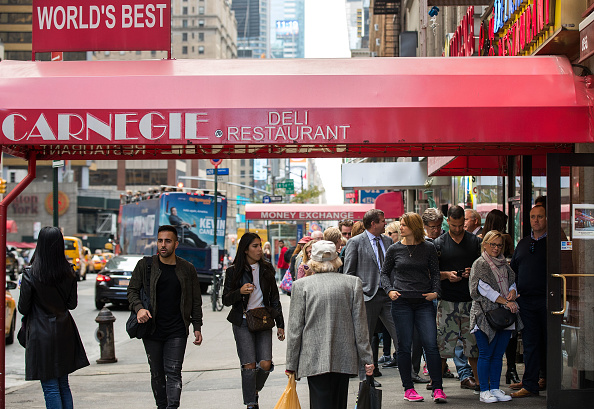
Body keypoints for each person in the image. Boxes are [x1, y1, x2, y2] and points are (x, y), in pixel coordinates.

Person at [286, 240, 374, 409]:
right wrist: (367, 359)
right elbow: (360, 326)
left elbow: (295, 329)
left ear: (313, 261)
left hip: (313, 356)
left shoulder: (301, 286)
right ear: (337, 259)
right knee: (339, 402)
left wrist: (291, 364)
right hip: (344, 355)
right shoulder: (352, 283)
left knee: (319, 402)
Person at [127, 225, 203, 409]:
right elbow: (132, 291)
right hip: (152, 329)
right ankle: (162, 406)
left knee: (174, 371)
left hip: (177, 330)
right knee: (157, 373)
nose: (163, 245)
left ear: (176, 244)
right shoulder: (145, 265)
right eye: (160, 240)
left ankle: (172, 407)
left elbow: (195, 300)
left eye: (167, 241)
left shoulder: (187, 269)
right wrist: (138, 309)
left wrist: (197, 326)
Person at [18, 226, 89, 409]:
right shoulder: (69, 271)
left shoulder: (30, 274)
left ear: (39, 245)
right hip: (64, 331)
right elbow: (72, 304)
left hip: (41, 336)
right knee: (63, 384)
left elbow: (23, 307)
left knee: (50, 387)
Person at [380, 212, 446, 402]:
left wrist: (436, 291)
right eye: (400, 224)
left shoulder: (428, 248)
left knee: (431, 345)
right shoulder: (394, 249)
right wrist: (389, 290)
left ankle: (438, 388)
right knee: (404, 346)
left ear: (414, 227)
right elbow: (384, 274)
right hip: (401, 302)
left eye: (403, 225)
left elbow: (435, 273)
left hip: (424, 301)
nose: (400, 228)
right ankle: (408, 388)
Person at [222, 232, 285, 409]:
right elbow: (225, 299)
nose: (259, 249)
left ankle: (253, 390)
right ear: (245, 250)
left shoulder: (267, 270)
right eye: (255, 246)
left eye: (260, 245)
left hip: (263, 320)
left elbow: (274, 299)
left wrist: (280, 324)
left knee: (265, 364)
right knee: (248, 364)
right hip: (242, 322)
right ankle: (251, 403)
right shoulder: (233, 271)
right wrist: (239, 292)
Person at [343, 209, 399, 384]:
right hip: (368, 296)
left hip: (389, 295)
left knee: (400, 333)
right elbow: (349, 273)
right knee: (364, 339)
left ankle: (409, 374)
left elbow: (392, 268)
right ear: (373, 223)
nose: (385, 223)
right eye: (382, 221)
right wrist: (357, 295)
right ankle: (366, 378)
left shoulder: (388, 241)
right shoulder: (355, 242)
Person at [469, 230, 523, 403]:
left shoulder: (505, 264)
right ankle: (484, 390)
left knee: (499, 354)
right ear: (485, 244)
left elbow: (512, 280)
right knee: (485, 353)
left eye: (499, 245)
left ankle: (494, 388)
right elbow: (484, 289)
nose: (496, 248)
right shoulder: (480, 264)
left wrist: (513, 291)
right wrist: (506, 302)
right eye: (492, 244)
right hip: (484, 315)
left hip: (505, 315)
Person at [434, 205, 482, 392]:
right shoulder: (439, 243)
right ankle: (437, 382)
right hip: (447, 300)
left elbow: (483, 267)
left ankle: (478, 381)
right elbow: (431, 273)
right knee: (443, 345)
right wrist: (446, 275)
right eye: (453, 225)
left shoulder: (474, 241)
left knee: (473, 345)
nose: (457, 229)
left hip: (470, 300)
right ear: (448, 221)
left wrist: (473, 272)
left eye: (461, 225)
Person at [509, 205, 547, 398]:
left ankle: (547, 379)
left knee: (549, 342)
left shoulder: (555, 242)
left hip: (549, 301)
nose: (536, 220)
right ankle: (530, 383)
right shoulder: (523, 243)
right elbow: (513, 271)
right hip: (527, 302)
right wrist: (513, 291)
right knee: (530, 343)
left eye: (540, 216)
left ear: (547, 218)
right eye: (533, 217)